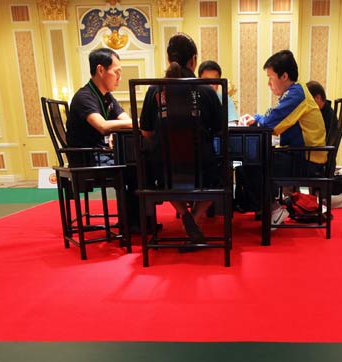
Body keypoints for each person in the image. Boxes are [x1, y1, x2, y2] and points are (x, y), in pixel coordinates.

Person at [139, 33, 224, 248]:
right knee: (223, 174)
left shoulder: (154, 90)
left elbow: (146, 132)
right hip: (202, 170)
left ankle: (185, 215)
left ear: (169, 59)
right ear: (193, 60)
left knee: (161, 170)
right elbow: (219, 130)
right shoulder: (206, 90)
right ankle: (195, 218)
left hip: (165, 172)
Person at [239, 50, 326, 224]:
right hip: (304, 156)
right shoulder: (295, 92)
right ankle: (265, 207)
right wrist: (256, 118)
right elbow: (273, 117)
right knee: (252, 161)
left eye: (271, 78)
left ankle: (273, 209)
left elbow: (271, 123)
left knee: (253, 161)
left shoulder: (296, 94)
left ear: (284, 76)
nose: (269, 83)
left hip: (308, 161)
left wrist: (257, 119)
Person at [65, 48, 144, 231]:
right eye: (116, 72)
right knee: (133, 167)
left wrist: (133, 124)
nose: (119, 78)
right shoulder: (84, 96)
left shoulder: (106, 97)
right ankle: (132, 224)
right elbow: (102, 125)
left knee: (138, 163)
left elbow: (125, 120)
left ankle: (133, 221)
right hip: (86, 158)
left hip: (99, 154)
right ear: (101, 70)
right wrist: (138, 122)